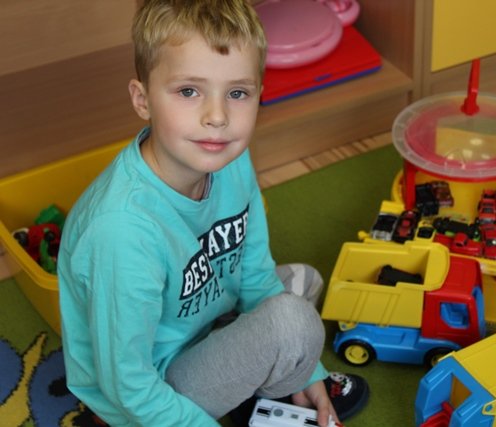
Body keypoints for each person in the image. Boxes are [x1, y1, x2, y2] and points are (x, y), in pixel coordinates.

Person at [57, 1, 368, 426]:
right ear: (142, 100)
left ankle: (259, 386)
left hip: (202, 326)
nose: (218, 117)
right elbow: (127, 384)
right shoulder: (122, 230)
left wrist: (306, 369)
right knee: (293, 320)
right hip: (151, 386)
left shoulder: (226, 159)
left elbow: (255, 275)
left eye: (237, 93)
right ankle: (244, 394)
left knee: (303, 285)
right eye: (189, 91)